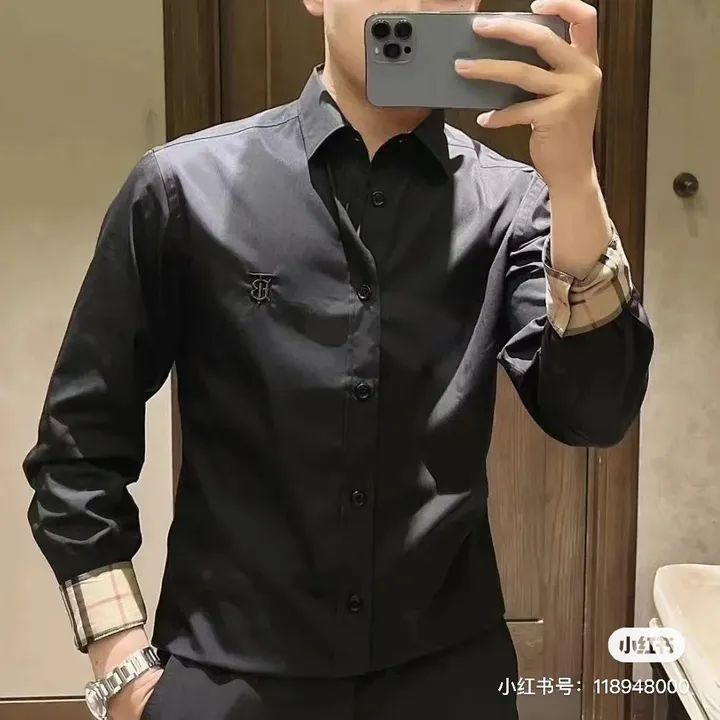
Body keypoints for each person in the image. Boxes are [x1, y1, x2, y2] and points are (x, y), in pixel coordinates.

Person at [23, 0, 653, 718]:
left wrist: (576, 181)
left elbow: (595, 412)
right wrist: (121, 669)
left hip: (449, 679)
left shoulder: (517, 205)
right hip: (227, 674)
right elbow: (77, 448)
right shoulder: (181, 187)